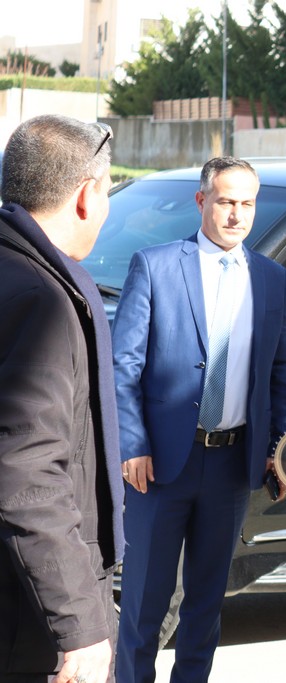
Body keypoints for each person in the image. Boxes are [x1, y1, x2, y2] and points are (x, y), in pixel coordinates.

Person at [113, 157, 286, 683]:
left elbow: (280, 370)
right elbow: (123, 366)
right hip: (160, 465)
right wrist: (132, 443)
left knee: (205, 607)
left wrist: (280, 447)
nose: (237, 214)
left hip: (231, 465)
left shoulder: (270, 278)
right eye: (226, 201)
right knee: (145, 606)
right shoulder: (155, 266)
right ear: (202, 201)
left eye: (247, 203)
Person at [0, 115, 123, 683]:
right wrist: (80, 625)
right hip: (29, 615)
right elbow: (27, 473)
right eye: (108, 191)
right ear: (85, 196)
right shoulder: (39, 298)